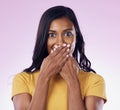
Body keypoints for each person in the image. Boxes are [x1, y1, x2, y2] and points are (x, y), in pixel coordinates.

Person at [11, 6, 107, 110]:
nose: (60, 42)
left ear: (76, 38)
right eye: (52, 35)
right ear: (43, 39)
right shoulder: (23, 80)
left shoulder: (94, 81)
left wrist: (73, 82)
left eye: (67, 34)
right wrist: (44, 77)